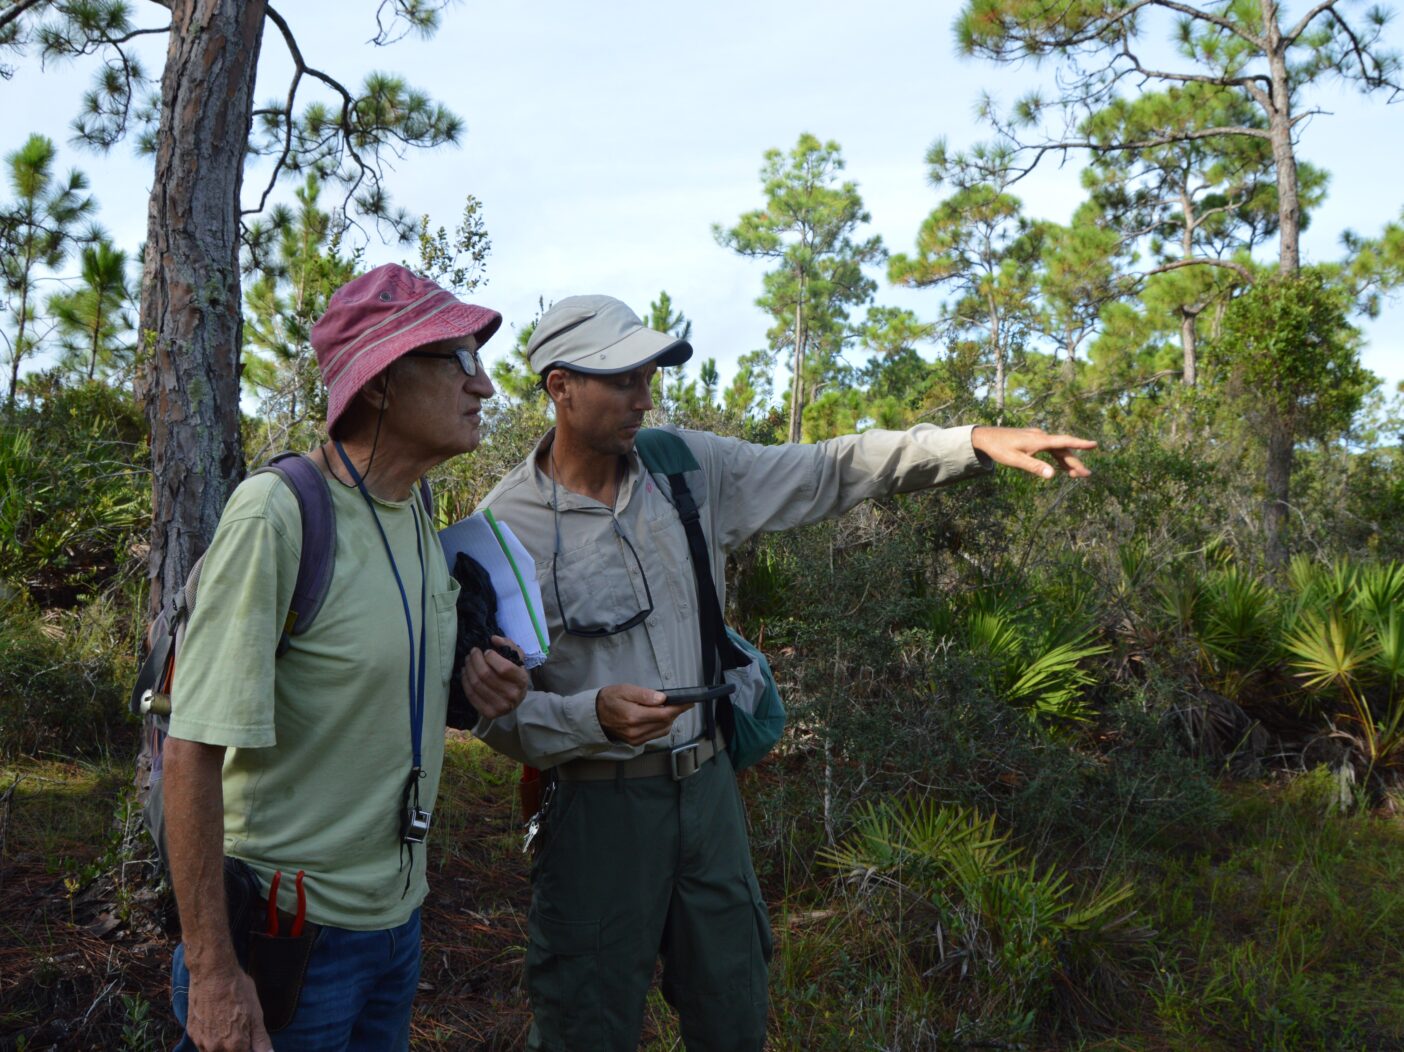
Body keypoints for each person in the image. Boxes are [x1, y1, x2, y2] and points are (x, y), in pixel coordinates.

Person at [465, 294, 1097, 1051]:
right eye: (622, 380)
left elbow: (830, 468)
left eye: (649, 376)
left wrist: (972, 442)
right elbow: (496, 715)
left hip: (707, 797)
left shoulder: (685, 468)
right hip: (596, 814)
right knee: (584, 1022)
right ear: (561, 387)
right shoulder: (501, 530)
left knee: (733, 1005)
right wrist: (589, 717)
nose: (644, 397)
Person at [163, 263, 530, 1052]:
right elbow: (189, 751)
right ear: (380, 384)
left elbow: (383, 690)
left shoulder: (418, 513)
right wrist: (217, 976)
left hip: (395, 929)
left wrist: (476, 687)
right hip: (286, 939)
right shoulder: (279, 515)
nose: (486, 387)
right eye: (461, 360)